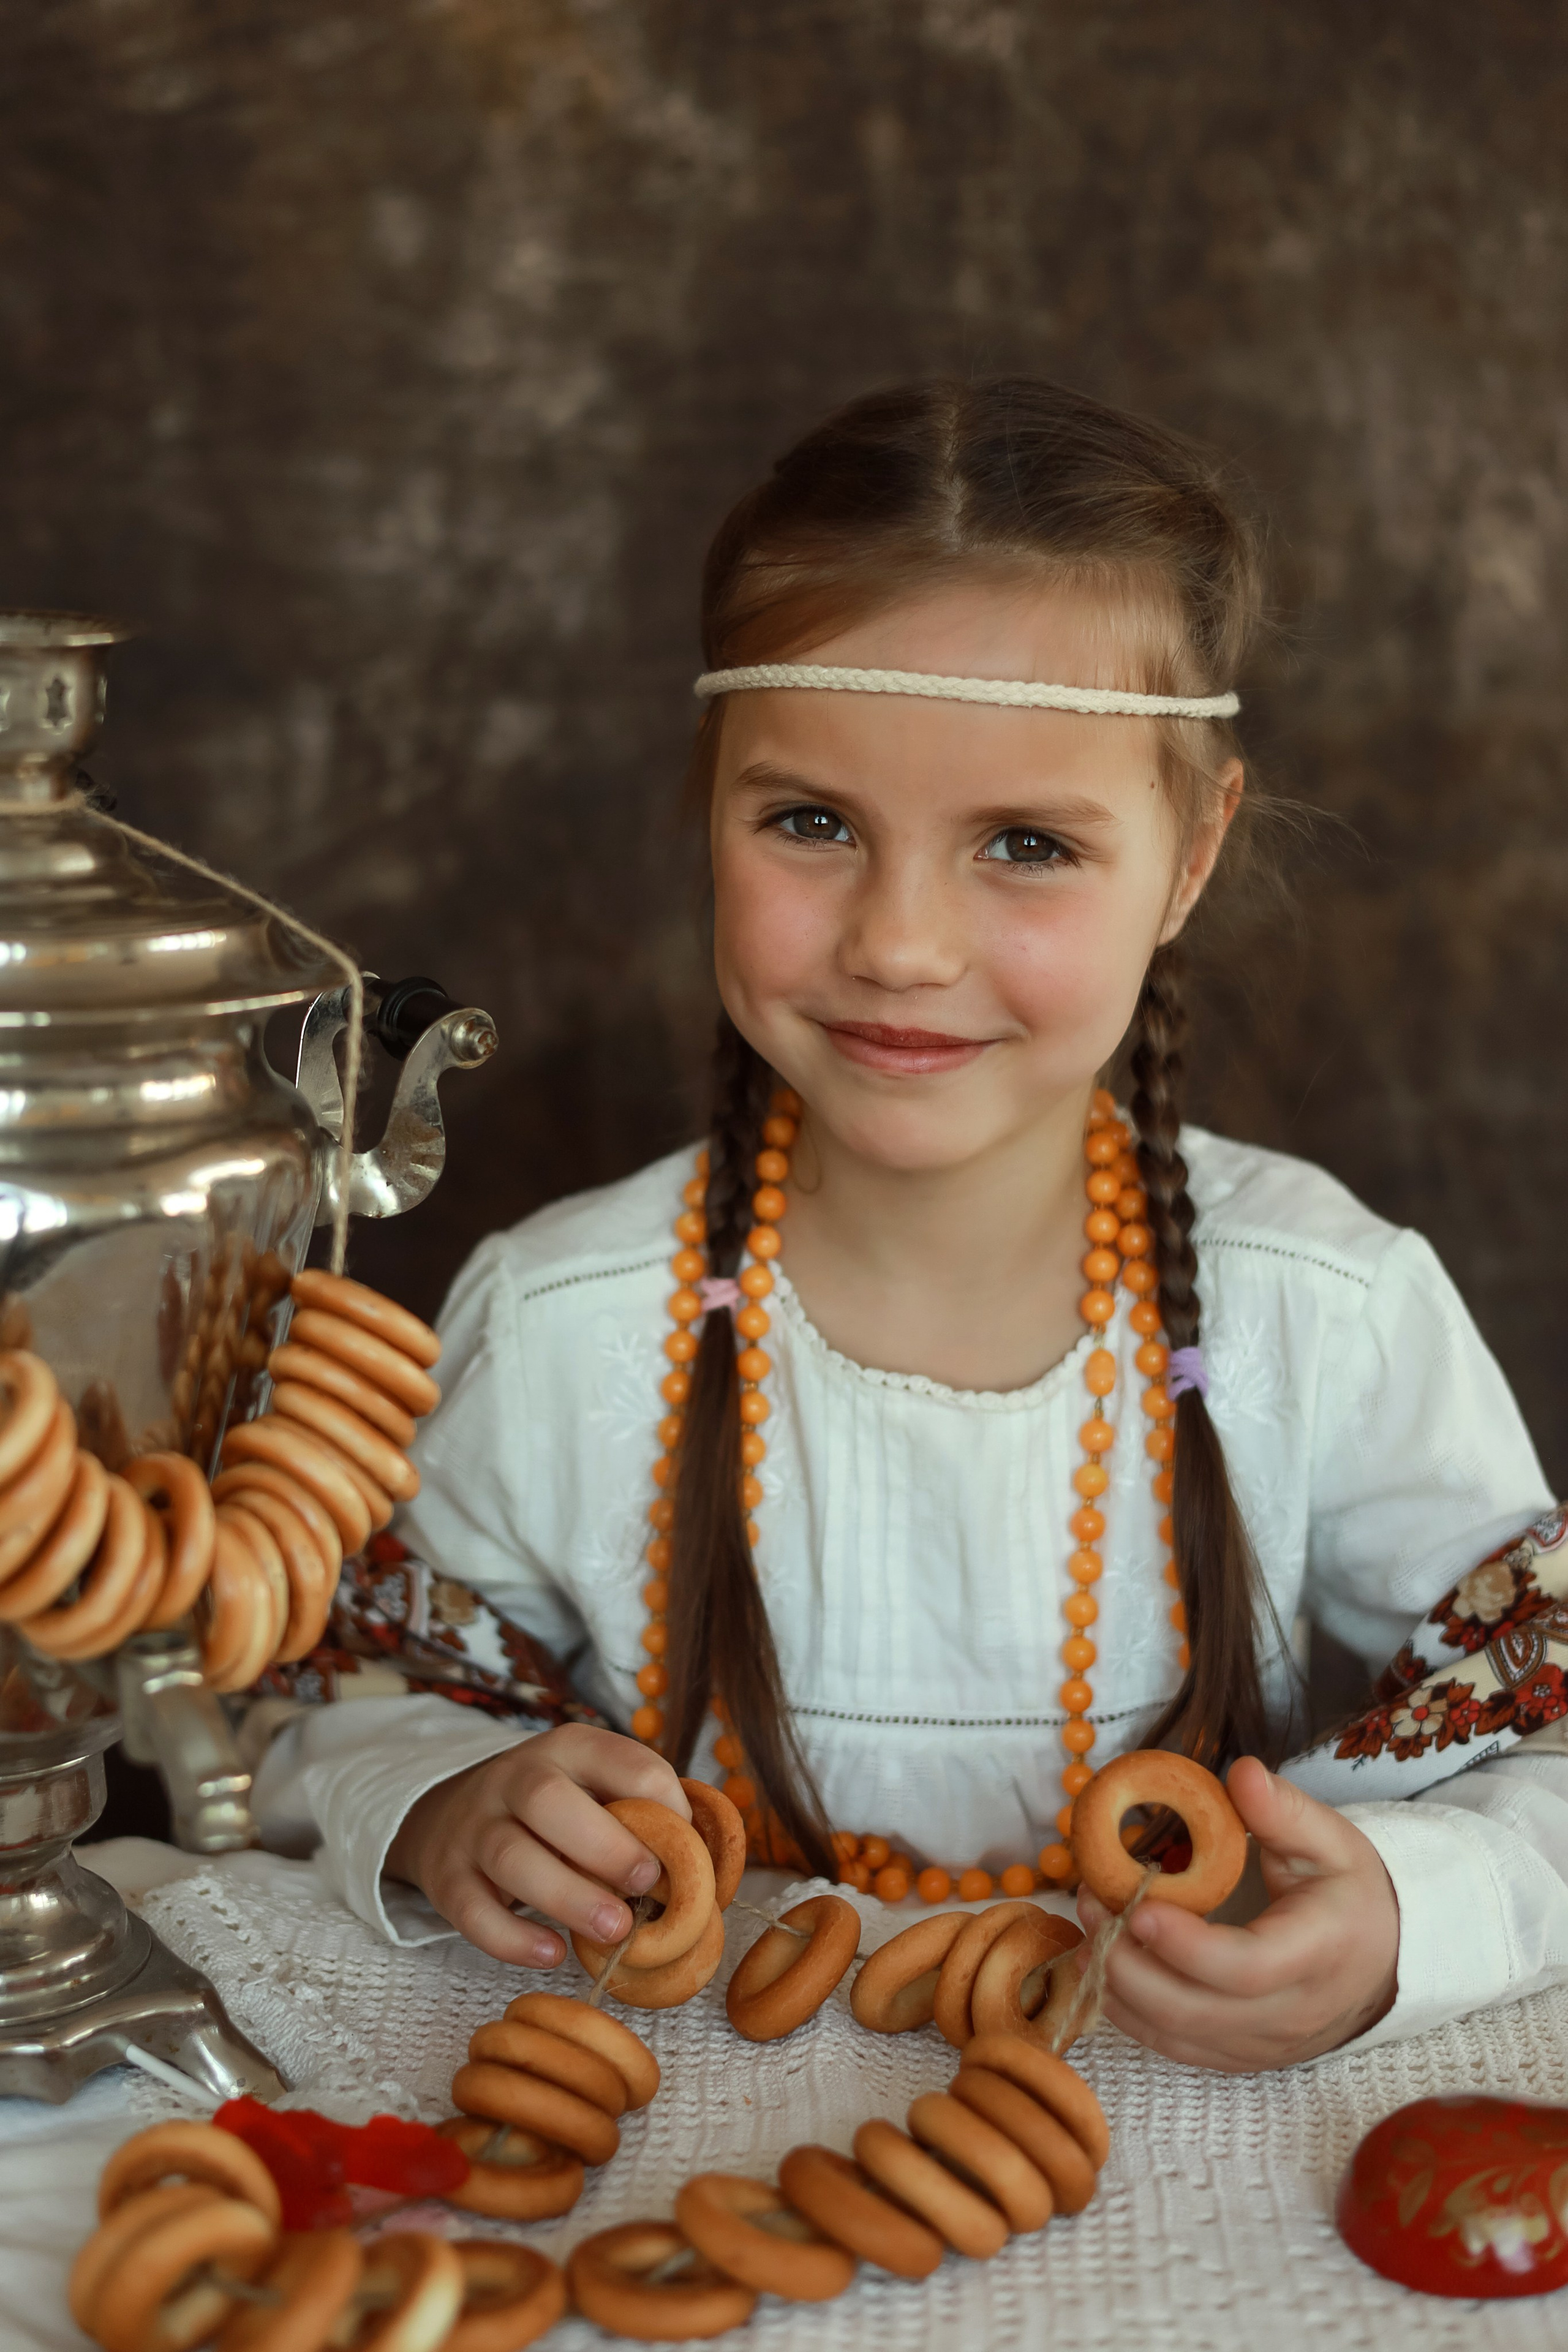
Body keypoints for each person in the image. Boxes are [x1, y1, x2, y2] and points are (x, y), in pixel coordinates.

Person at [254, 378, 1564, 2073]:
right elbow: (341, 1704)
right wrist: (444, 1800)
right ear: (708, 799)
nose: (901, 943)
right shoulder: (569, 1321)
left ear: (1190, 856)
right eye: (812, 823)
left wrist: (1412, 1904)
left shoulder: (1332, 1313)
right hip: (671, 2142)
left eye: (1026, 843)